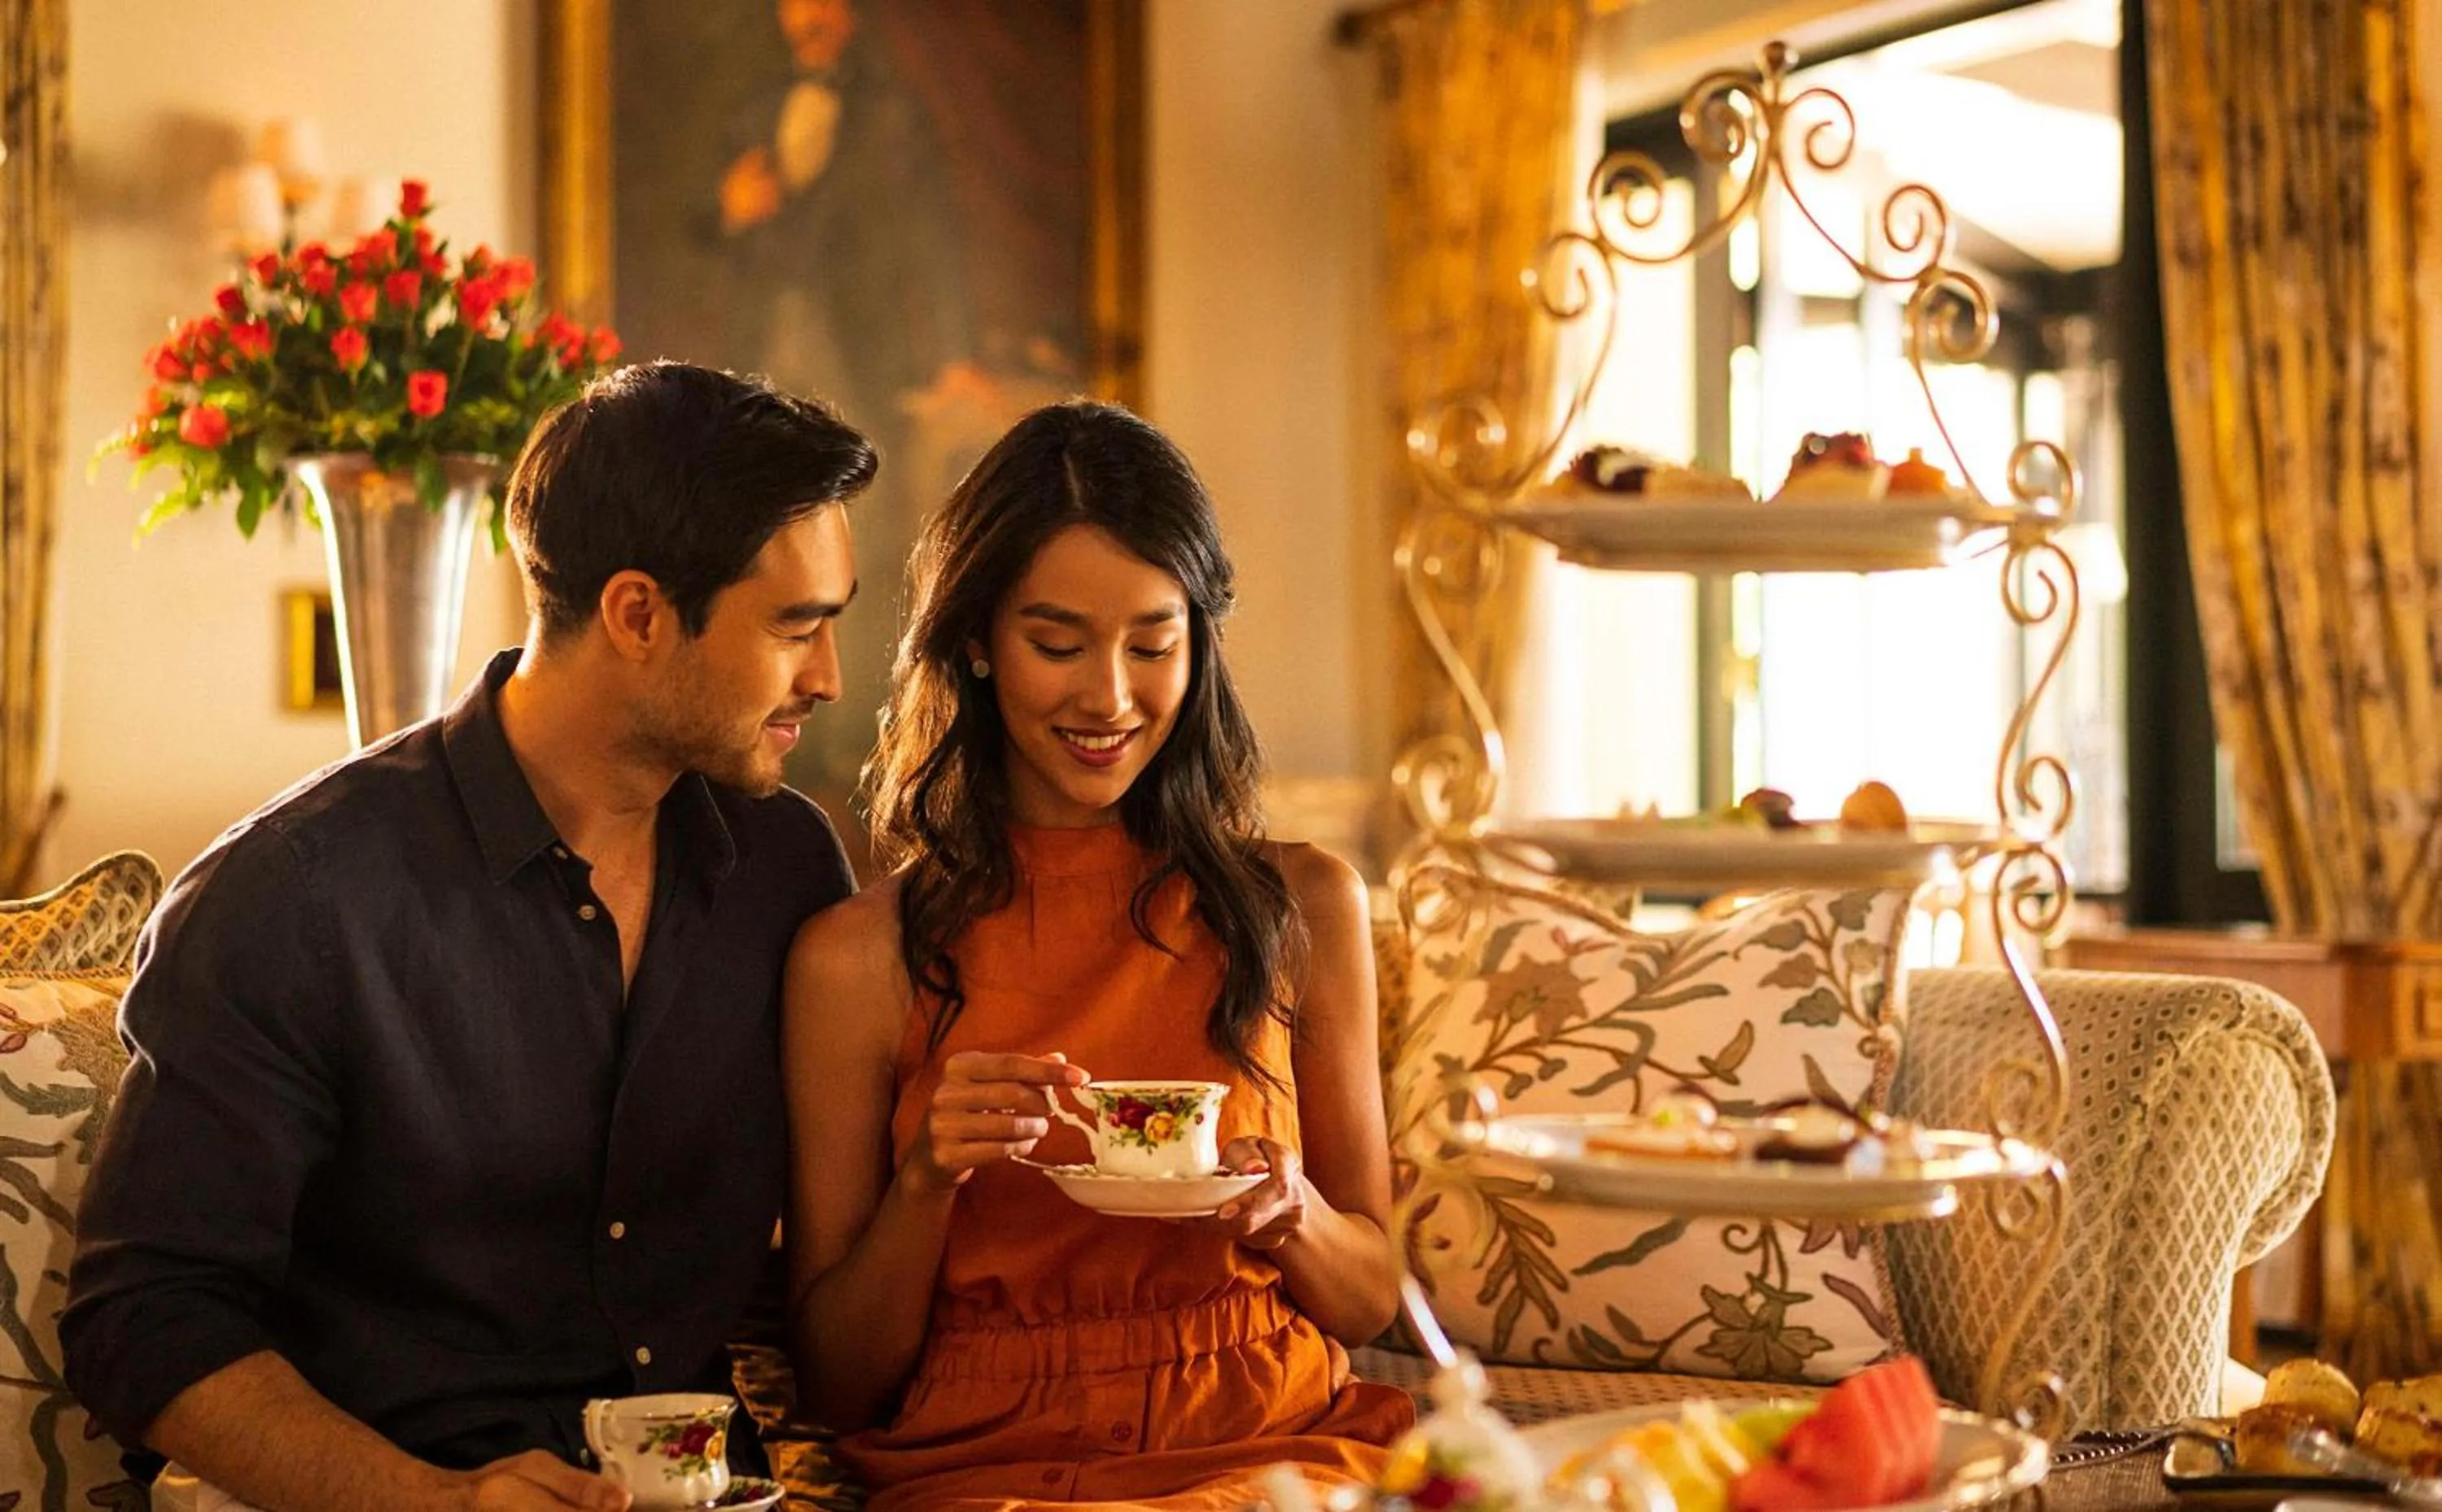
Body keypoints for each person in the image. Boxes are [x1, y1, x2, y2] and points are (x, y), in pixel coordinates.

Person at [62, 361, 877, 1512]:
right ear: (639, 614)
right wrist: (429, 1501)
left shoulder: (787, 867)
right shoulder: (296, 893)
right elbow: (144, 1314)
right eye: (797, 628)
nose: (830, 677)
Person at [781, 400, 1414, 1511]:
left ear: (1198, 643)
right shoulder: (858, 957)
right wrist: (927, 1178)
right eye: (1057, 642)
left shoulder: (1304, 902)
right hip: (985, 1471)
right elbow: (839, 1383)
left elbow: (1369, 1299)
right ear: (976, 641)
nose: (1109, 698)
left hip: (1267, 1448)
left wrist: (1298, 1216)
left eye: (1152, 643)